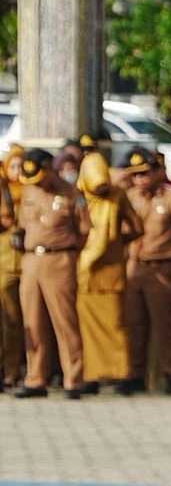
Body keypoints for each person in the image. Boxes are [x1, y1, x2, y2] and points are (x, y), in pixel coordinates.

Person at [11, 149, 91, 399]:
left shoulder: (72, 193)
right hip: (32, 258)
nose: (36, 183)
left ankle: (73, 380)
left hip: (60, 258)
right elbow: (22, 224)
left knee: (64, 321)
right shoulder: (29, 192)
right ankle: (36, 379)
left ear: (50, 169)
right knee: (32, 323)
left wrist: (69, 250)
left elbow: (85, 229)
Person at [121, 147, 171, 395]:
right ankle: (134, 374)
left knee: (166, 324)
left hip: (161, 267)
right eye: (135, 174)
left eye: (144, 173)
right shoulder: (128, 197)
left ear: (157, 172)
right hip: (134, 266)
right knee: (134, 323)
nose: (139, 179)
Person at [75, 151, 142, 395]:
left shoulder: (117, 196)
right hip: (85, 270)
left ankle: (121, 374)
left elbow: (137, 227)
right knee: (90, 327)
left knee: (115, 325)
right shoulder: (78, 196)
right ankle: (92, 375)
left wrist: (114, 244)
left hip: (106, 270)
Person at [0, 146, 25, 388]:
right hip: (4, 262)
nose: (17, 172)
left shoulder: (32, 191)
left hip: (22, 265)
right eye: (13, 166)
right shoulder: (4, 188)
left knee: (14, 322)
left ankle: (12, 370)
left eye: (21, 166)